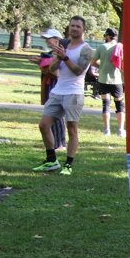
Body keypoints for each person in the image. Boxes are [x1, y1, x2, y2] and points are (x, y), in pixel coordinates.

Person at [33, 16, 93, 175]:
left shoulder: (86, 50)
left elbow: (78, 71)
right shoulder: (63, 45)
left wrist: (65, 57)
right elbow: (52, 69)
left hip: (74, 93)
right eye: (72, 25)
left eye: (78, 26)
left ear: (83, 29)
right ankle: (51, 160)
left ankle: (68, 165)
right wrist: (58, 58)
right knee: (44, 125)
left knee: (72, 129)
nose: (74, 28)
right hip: (57, 91)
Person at [92, 27, 125, 136]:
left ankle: (107, 130)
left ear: (108, 36)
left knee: (106, 104)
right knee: (119, 105)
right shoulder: (120, 47)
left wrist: (101, 67)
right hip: (116, 80)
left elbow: (92, 62)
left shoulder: (101, 47)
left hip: (103, 79)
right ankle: (121, 130)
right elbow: (123, 65)